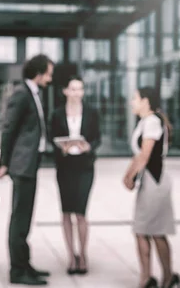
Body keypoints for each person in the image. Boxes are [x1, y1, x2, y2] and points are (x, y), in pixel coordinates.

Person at [0, 54, 53, 286]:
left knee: (25, 217)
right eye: (48, 73)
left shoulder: (33, 93)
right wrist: (3, 162)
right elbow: (8, 127)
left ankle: (25, 264)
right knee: (20, 218)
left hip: (29, 163)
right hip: (22, 164)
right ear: (38, 73)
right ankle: (17, 271)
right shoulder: (21, 93)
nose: (50, 78)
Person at [123, 87, 180, 288]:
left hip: (155, 183)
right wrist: (130, 175)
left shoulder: (153, 122)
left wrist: (128, 177)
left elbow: (144, 156)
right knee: (145, 230)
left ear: (145, 101)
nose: (132, 102)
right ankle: (150, 278)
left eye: (135, 98)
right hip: (149, 182)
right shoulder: (146, 122)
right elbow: (138, 155)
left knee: (153, 231)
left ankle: (163, 278)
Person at [49, 75, 100, 276]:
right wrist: (62, 147)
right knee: (66, 212)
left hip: (85, 166)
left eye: (80, 89)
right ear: (66, 91)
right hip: (65, 166)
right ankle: (71, 256)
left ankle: (83, 255)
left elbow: (98, 138)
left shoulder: (92, 112)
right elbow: (52, 138)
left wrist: (88, 146)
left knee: (81, 212)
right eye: (73, 89)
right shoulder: (57, 114)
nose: (77, 92)